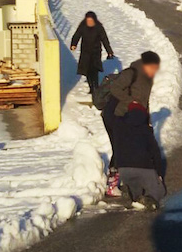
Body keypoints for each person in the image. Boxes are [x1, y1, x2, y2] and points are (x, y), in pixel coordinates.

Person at [102, 51, 164, 204]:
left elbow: (145, 101)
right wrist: (131, 102)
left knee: (131, 147)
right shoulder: (132, 73)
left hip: (134, 116)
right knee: (120, 148)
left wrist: (146, 120)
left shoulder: (147, 79)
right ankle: (112, 185)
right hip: (119, 116)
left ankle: (129, 182)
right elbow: (115, 88)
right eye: (152, 67)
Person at [70, 11, 114, 94]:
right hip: (85, 53)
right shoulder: (82, 26)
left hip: (96, 52)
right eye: (88, 21)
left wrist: (109, 51)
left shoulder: (99, 27)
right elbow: (77, 35)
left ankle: (96, 87)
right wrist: (73, 44)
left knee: (94, 70)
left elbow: (105, 39)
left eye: (91, 21)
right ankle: (91, 88)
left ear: (94, 20)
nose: (89, 22)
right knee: (88, 71)